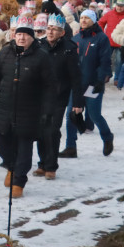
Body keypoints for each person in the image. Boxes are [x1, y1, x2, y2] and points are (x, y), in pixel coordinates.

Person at [0, 15, 56, 198]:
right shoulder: (6, 53)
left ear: (32, 36)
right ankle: (11, 166)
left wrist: (47, 111)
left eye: (25, 34)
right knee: (0, 142)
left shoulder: (41, 57)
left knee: (24, 148)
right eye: (18, 33)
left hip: (29, 110)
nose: (21, 38)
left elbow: (49, 87)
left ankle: (19, 180)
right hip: (4, 108)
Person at [35, 13, 84, 180]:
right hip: (39, 95)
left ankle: (51, 166)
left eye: (54, 29)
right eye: (48, 28)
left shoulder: (69, 49)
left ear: (62, 33)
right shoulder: (38, 45)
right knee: (40, 130)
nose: (50, 32)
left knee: (52, 130)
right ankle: (42, 163)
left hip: (58, 96)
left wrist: (78, 102)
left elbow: (76, 78)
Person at [61, 9, 114, 159]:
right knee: (71, 114)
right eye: (82, 17)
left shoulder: (101, 38)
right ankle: (70, 147)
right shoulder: (76, 38)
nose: (83, 20)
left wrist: (100, 80)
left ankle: (107, 137)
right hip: (77, 85)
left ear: (94, 20)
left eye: (87, 18)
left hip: (92, 84)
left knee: (95, 114)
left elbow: (105, 62)